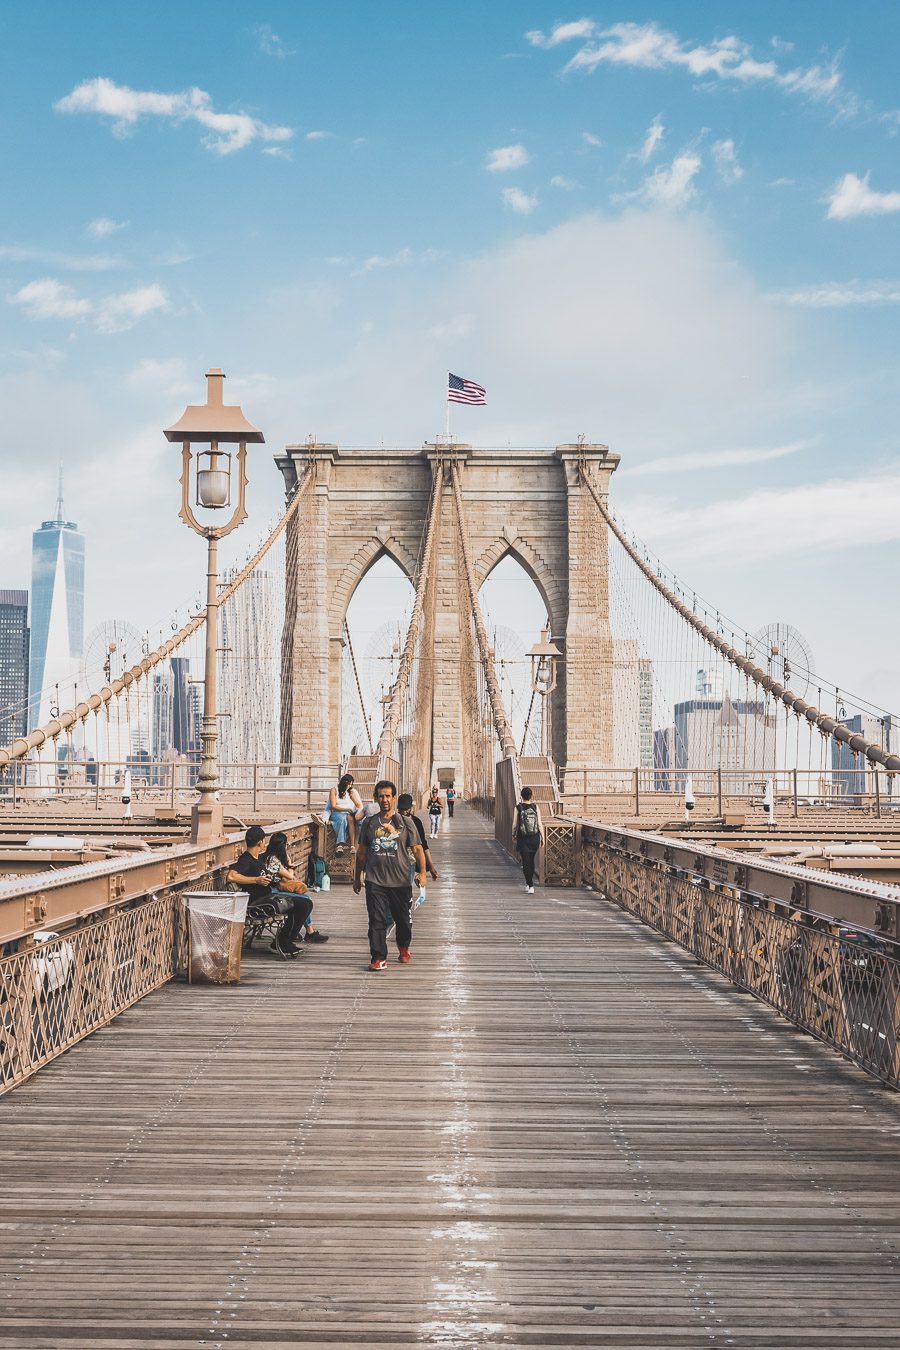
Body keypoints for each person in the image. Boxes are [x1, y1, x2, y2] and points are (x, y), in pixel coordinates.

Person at [353, 780, 426, 971]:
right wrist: (357, 877)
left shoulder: (406, 823)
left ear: (394, 798)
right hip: (374, 880)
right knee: (376, 920)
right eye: (381, 796)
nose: (384, 799)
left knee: (403, 920)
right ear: (376, 798)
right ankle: (378, 957)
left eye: (388, 796)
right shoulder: (369, 822)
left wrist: (423, 874)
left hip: (401, 880)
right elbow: (361, 852)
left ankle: (403, 946)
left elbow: (418, 850)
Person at [226, 825, 310, 958]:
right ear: (261, 842)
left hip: (268, 898)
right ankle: (283, 942)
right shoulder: (246, 859)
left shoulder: (256, 859)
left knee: (304, 903)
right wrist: (256, 880)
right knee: (303, 905)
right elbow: (231, 876)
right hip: (259, 904)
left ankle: (284, 941)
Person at [262, 832, 328, 943]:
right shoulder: (272, 860)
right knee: (305, 899)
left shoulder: (269, 857)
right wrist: (291, 865)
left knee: (303, 898)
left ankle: (304, 931)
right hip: (272, 892)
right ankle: (307, 932)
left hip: (273, 890)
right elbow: (290, 876)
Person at [398, 793, 439, 894]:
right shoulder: (393, 820)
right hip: (394, 860)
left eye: (406, 809)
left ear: (411, 808)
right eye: (401, 809)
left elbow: (423, 846)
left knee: (405, 888)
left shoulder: (416, 822)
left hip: (410, 861)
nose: (404, 812)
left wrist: (430, 867)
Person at [512, 786, 544, 894]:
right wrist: (543, 837)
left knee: (525, 862)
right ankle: (529, 884)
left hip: (523, 838)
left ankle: (530, 885)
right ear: (531, 796)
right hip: (535, 837)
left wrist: (513, 835)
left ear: (521, 796)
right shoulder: (536, 807)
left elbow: (514, 824)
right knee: (531, 860)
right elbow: (539, 824)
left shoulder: (518, 808)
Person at [327, 773, 364, 853]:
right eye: (349, 784)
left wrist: (353, 798)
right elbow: (333, 806)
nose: (350, 786)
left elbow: (359, 805)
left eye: (351, 784)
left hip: (348, 813)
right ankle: (340, 844)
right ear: (344, 783)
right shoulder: (334, 790)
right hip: (337, 812)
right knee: (342, 819)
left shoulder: (351, 791)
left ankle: (352, 845)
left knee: (351, 819)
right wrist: (346, 809)